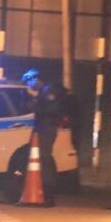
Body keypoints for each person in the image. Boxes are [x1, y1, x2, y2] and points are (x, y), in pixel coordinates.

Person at [22, 69, 67, 207]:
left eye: (29, 82)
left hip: (47, 128)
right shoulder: (44, 91)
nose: (29, 85)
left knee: (44, 159)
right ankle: (37, 194)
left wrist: (34, 102)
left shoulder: (48, 91)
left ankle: (48, 195)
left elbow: (50, 109)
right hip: (43, 128)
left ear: (36, 79)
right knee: (37, 160)